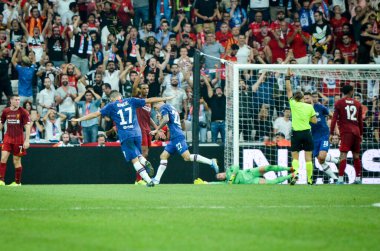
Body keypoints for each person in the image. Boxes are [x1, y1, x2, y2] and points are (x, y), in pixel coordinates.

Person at [72, 91, 173, 187]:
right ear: (121, 96)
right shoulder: (131, 100)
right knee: (138, 153)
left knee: (134, 160)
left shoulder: (111, 106)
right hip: (137, 133)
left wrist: (79, 119)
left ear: (112, 99)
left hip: (125, 135)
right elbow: (150, 100)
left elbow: (95, 114)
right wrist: (166, 98)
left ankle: (149, 180)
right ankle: (144, 161)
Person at [149, 102, 219, 185]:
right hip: (174, 138)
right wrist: (161, 118)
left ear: (158, 103)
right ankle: (157, 179)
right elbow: (170, 121)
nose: (157, 110)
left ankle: (211, 162)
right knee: (163, 156)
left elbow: (166, 119)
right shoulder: (171, 107)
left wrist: (156, 130)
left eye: (156, 108)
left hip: (177, 136)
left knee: (187, 157)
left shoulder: (163, 108)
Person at [285, 68, 317, 185]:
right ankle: (309, 180)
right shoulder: (309, 107)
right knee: (308, 158)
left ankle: (295, 174)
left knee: (295, 158)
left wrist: (287, 77)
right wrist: (307, 117)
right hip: (307, 133)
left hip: (296, 133)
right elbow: (314, 121)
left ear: (295, 98)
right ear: (303, 98)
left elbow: (289, 90)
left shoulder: (293, 104)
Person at [330, 85, 363, 185]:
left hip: (346, 132)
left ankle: (340, 179)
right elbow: (360, 121)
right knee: (356, 155)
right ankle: (358, 179)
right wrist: (361, 133)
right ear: (351, 91)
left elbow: (334, 119)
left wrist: (331, 132)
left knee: (343, 154)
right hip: (356, 131)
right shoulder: (358, 103)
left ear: (343, 92)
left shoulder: (339, 103)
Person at [303, 92, 339, 183]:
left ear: (311, 99)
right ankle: (335, 178)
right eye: (304, 99)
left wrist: (336, 130)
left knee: (322, 156)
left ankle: (337, 161)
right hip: (313, 138)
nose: (306, 100)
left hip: (324, 135)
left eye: (307, 98)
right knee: (320, 160)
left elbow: (332, 116)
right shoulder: (303, 111)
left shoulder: (319, 107)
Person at [0, 95, 31, 186]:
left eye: (19, 100)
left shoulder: (23, 112)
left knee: (16, 160)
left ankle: (17, 182)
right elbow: (1, 124)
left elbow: (27, 126)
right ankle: (1, 180)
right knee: (3, 158)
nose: (18, 101)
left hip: (19, 139)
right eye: (16, 100)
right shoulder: (6, 111)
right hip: (8, 138)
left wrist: (27, 140)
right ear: (11, 100)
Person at [194, 165, 294, 185]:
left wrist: (232, 176)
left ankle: (288, 168)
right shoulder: (226, 183)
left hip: (250, 172)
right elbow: (215, 184)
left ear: (221, 172)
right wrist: (206, 183)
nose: (220, 176)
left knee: (269, 167)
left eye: (219, 175)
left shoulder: (230, 170)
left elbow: (236, 167)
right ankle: (291, 176)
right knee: (272, 182)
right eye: (219, 178)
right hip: (251, 181)